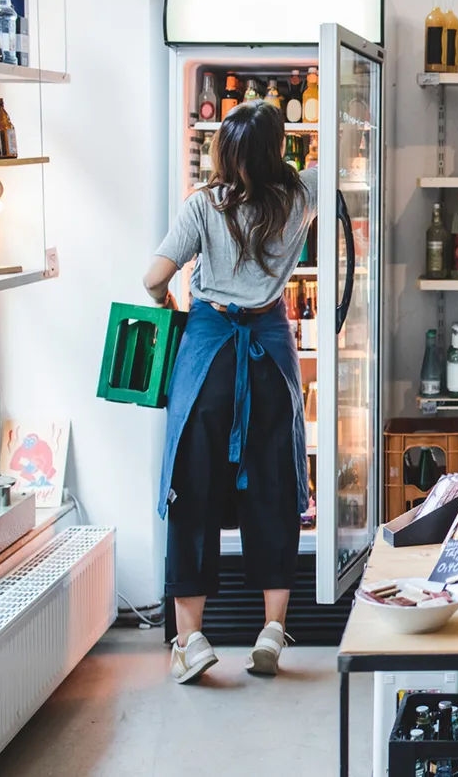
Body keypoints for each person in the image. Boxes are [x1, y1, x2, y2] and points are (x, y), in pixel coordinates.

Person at [144, 100, 317, 684]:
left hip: (209, 354)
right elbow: (350, 170)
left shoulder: (202, 205)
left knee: (191, 490)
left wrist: (170, 303)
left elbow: (153, 278)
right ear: (277, 151)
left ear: (223, 150)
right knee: (271, 485)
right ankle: (271, 630)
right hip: (270, 355)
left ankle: (190, 640)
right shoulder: (300, 197)